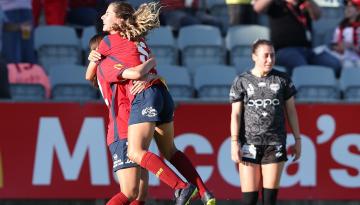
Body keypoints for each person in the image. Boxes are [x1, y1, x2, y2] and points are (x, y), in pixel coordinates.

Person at [86, 2, 216, 205]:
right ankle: (201, 190)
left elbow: (92, 74)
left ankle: (183, 188)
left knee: (135, 184)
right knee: (139, 188)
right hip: (136, 113)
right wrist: (153, 62)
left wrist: (95, 59)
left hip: (136, 112)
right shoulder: (124, 53)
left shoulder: (109, 49)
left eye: (107, 14)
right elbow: (132, 71)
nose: (102, 17)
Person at [87, 33, 158, 205]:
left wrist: (151, 77)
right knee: (130, 192)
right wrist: (152, 61)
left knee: (141, 194)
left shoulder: (112, 66)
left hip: (134, 126)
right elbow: (136, 73)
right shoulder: (109, 67)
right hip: (123, 129)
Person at [229, 39, 301, 205]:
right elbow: (236, 114)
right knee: (249, 200)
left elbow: (291, 111)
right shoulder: (241, 81)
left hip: (275, 143)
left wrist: (297, 140)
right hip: (248, 144)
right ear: (254, 56)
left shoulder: (282, 79)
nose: (270, 59)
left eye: (272, 55)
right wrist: (234, 142)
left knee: (269, 200)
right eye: (265, 55)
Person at [253, 0, 342, 75]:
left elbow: (317, 15)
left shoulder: (303, 3)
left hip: (308, 51)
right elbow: (257, 8)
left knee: (334, 64)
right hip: (284, 50)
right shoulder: (277, 3)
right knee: (301, 67)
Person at [327, 0, 360, 68]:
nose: (347, 8)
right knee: (346, 65)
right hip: (343, 58)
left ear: (358, 11)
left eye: (351, 6)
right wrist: (338, 47)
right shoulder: (340, 27)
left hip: (356, 58)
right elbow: (333, 44)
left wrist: (351, 46)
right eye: (346, 6)